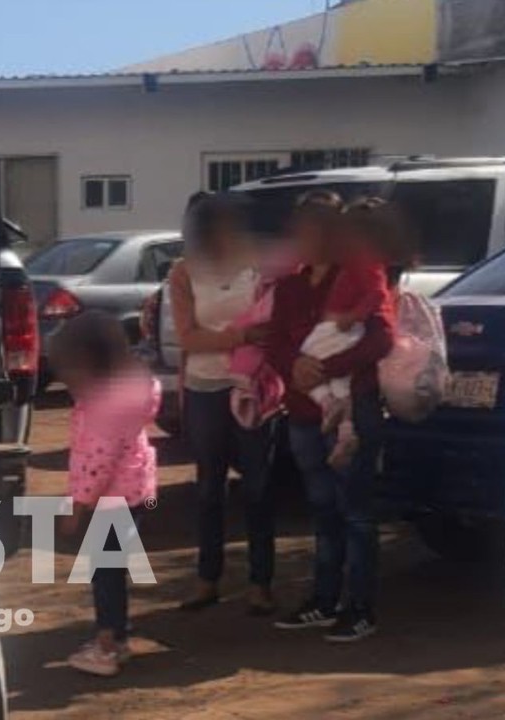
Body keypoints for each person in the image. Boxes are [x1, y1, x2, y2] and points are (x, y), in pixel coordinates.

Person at [268, 192, 396, 643]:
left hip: (352, 410)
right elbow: (275, 341)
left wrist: (329, 367)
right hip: (304, 411)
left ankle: (359, 607)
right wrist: (295, 368)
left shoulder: (359, 275)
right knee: (322, 511)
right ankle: (323, 600)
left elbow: (382, 337)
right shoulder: (289, 285)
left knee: (356, 512)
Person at [168, 193, 279, 616]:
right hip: (205, 388)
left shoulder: (259, 269)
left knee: (258, 486)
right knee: (209, 488)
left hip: (252, 387)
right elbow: (187, 337)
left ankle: (260, 582)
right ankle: (207, 578)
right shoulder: (183, 273)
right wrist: (241, 338)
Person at [52, 311, 160, 678]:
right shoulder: (126, 391)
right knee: (113, 568)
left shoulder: (104, 408)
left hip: (110, 500)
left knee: (106, 572)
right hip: (132, 492)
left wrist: (77, 508)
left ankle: (108, 645)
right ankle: (118, 636)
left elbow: (96, 466)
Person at [295, 195, 397, 468]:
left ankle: (335, 413)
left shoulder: (368, 264)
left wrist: (325, 366)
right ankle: (344, 432)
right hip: (347, 384)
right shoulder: (309, 275)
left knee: (311, 357)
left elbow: (383, 335)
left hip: (357, 377)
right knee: (341, 392)